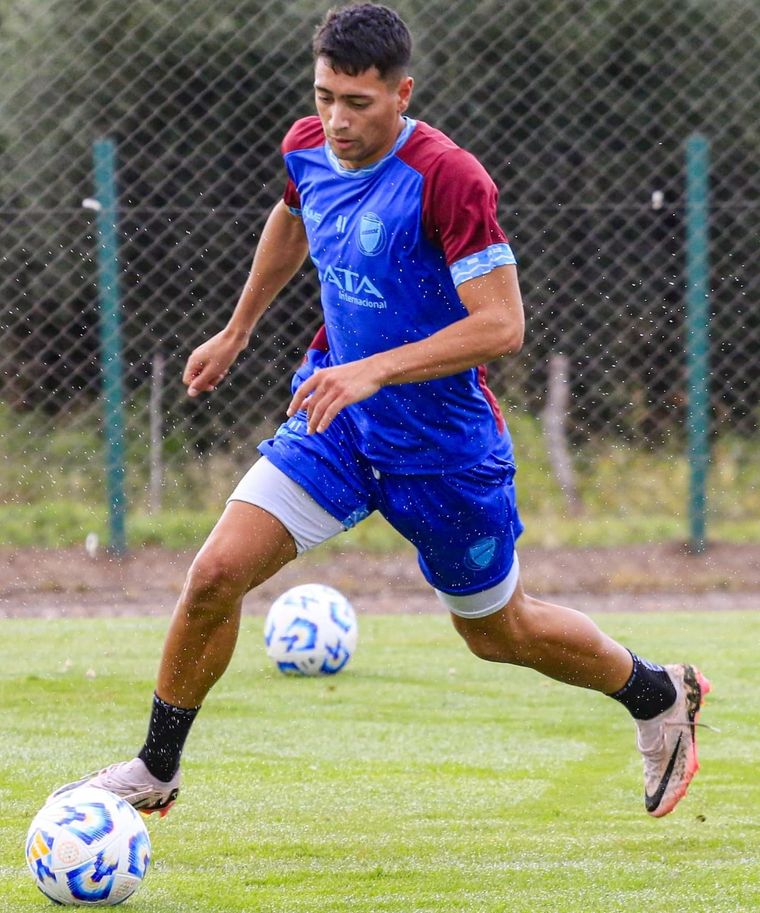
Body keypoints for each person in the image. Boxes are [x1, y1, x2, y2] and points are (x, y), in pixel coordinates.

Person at [55, 2, 710, 820]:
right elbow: (293, 217)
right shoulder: (307, 146)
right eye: (325, 96)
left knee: (497, 632)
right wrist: (237, 329)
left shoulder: (448, 178)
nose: (337, 120)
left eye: (358, 103)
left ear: (403, 94)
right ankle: (155, 767)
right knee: (216, 573)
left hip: (443, 450)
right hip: (337, 424)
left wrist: (373, 370)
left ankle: (656, 693)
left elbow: (503, 325)